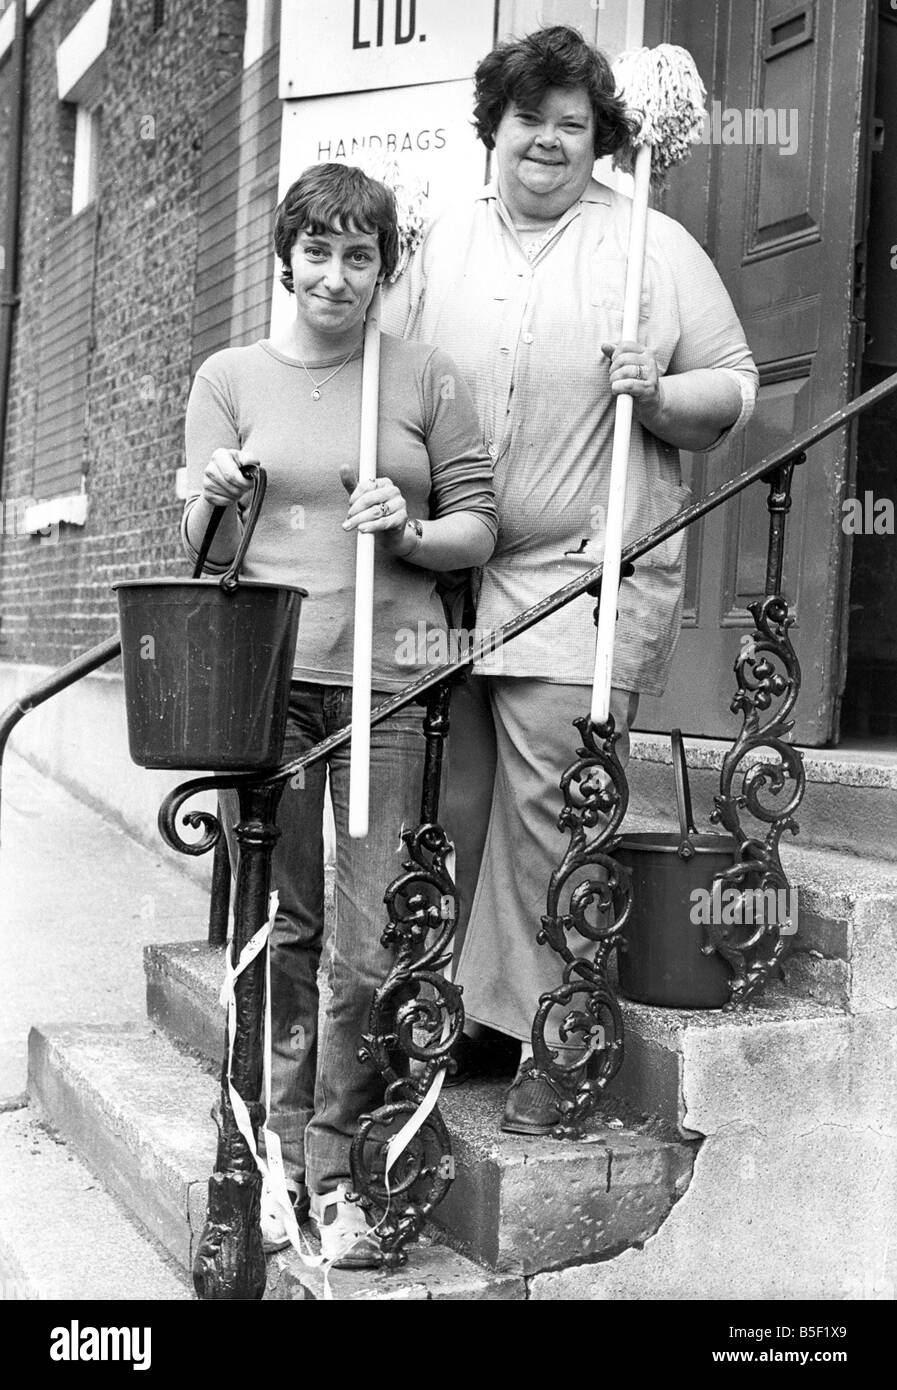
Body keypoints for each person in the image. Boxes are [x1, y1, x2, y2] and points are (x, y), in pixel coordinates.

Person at [383, 25, 759, 1134]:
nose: (548, 141)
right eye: (528, 118)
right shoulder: (442, 243)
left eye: (573, 124)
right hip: (456, 572)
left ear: (603, 140)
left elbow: (733, 391)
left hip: (588, 578)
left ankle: (559, 1038)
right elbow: (389, 386)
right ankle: (468, 1019)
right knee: (453, 803)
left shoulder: (652, 242)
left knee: (552, 804)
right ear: (490, 125)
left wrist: (661, 389)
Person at [181, 163, 497, 1266]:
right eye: (316, 250)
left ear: (383, 271)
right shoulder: (228, 378)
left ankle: (342, 1174)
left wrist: (407, 527)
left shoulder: (422, 377)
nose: (335, 273)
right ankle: (266, 1159)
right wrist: (213, 498)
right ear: (286, 260)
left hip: (390, 686)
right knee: (283, 932)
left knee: (367, 946)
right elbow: (201, 555)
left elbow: (481, 530)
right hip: (269, 686)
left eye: (359, 254)